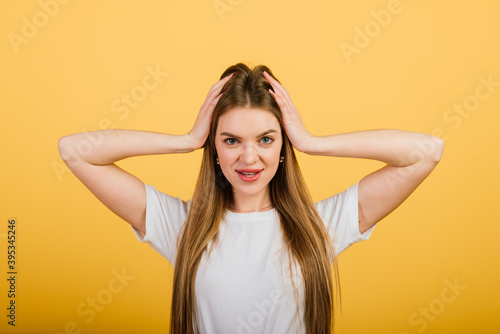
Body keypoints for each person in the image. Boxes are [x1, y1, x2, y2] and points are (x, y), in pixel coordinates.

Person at [58, 63, 444, 334]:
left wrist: (311, 143)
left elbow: (425, 151)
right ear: (214, 148)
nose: (248, 158)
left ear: (282, 146)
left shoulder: (320, 226)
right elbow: (75, 150)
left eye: (265, 139)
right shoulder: (182, 227)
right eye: (230, 140)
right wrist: (186, 141)